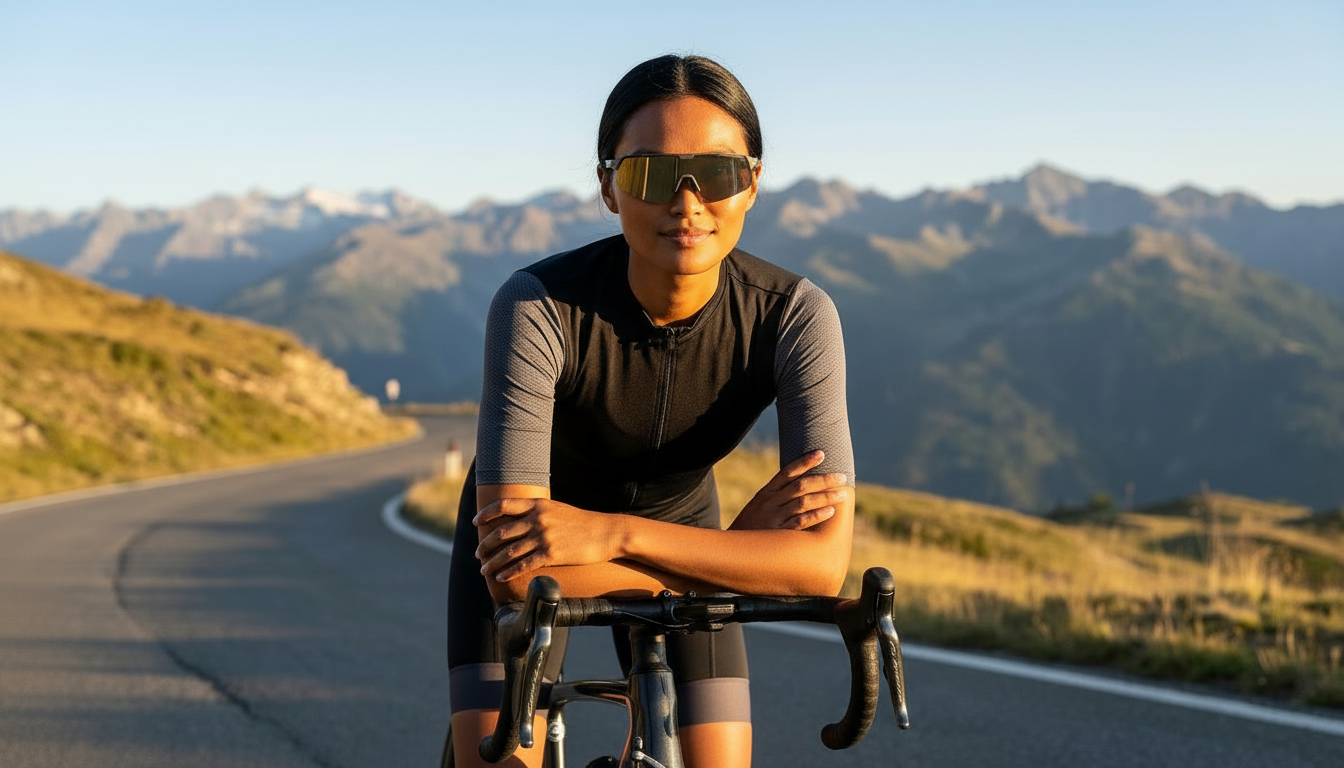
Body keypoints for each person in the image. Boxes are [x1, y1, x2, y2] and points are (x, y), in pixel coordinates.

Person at [447, 54, 856, 768]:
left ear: (753, 184)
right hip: (538, 527)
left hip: (623, 531)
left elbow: (821, 566)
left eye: (718, 173)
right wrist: (739, 561)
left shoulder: (795, 315)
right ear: (608, 186)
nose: (688, 201)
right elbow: (515, 575)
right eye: (652, 173)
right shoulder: (538, 305)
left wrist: (609, 535)